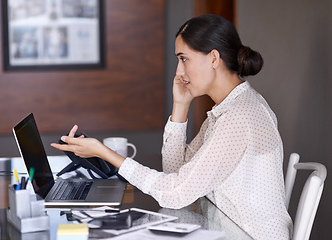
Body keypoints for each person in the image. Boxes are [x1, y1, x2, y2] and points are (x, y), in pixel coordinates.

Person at [51, 14, 293, 239]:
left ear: (214, 58)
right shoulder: (229, 109)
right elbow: (177, 172)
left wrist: (105, 154)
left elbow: (176, 194)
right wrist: (180, 105)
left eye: (184, 59)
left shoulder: (238, 117)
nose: (179, 72)